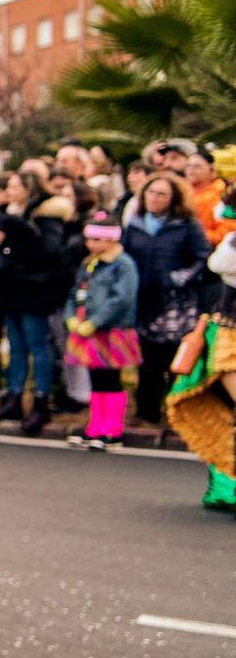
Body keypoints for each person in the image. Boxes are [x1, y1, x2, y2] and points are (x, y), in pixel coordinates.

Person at [0, 167, 74, 436]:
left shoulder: (47, 214)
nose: (10, 191)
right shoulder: (12, 213)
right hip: (12, 290)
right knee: (16, 347)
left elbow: (48, 251)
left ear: (29, 188)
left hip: (34, 290)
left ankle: (41, 401)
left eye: (15, 186)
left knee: (38, 346)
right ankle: (14, 397)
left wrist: (10, 248)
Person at [121, 174, 211, 427]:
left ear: (173, 198)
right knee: (147, 360)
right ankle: (146, 410)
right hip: (143, 299)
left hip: (175, 302)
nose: (154, 198)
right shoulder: (135, 224)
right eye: (150, 192)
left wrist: (179, 278)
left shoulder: (187, 225)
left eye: (161, 194)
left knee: (175, 360)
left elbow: (204, 259)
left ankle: (177, 415)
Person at [168, 230, 236, 513]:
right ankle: (225, 486)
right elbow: (219, 265)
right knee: (222, 409)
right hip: (229, 338)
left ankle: (225, 485)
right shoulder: (231, 244)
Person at [62, 215, 139, 452]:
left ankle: (113, 430)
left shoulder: (122, 263)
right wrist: (71, 317)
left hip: (110, 330)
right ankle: (95, 426)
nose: (91, 244)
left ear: (110, 239)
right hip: (87, 330)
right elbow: (76, 292)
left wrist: (95, 321)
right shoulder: (89, 263)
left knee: (110, 379)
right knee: (95, 379)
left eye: (96, 239)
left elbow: (122, 298)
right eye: (88, 239)